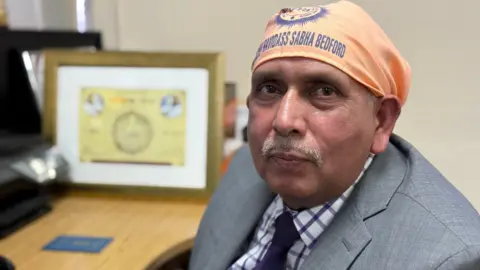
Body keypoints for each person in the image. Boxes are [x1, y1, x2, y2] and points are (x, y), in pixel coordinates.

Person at [189, 1, 480, 269]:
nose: (284, 120)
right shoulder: (244, 166)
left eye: (324, 92)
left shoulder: (447, 259)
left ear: (381, 121)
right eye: (269, 88)